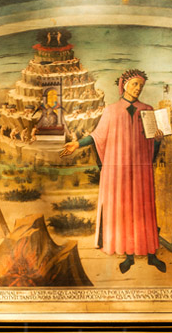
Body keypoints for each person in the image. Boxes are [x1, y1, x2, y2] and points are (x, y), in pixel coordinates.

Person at [61, 68, 166, 274]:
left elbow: (152, 145)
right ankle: (128, 255)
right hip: (118, 170)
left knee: (143, 208)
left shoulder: (148, 110)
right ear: (124, 85)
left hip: (141, 169)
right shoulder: (111, 111)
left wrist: (158, 141)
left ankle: (151, 254)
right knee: (124, 209)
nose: (138, 88)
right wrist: (77, 144)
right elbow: (97, 136)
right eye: (135, 84)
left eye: (141, 85)